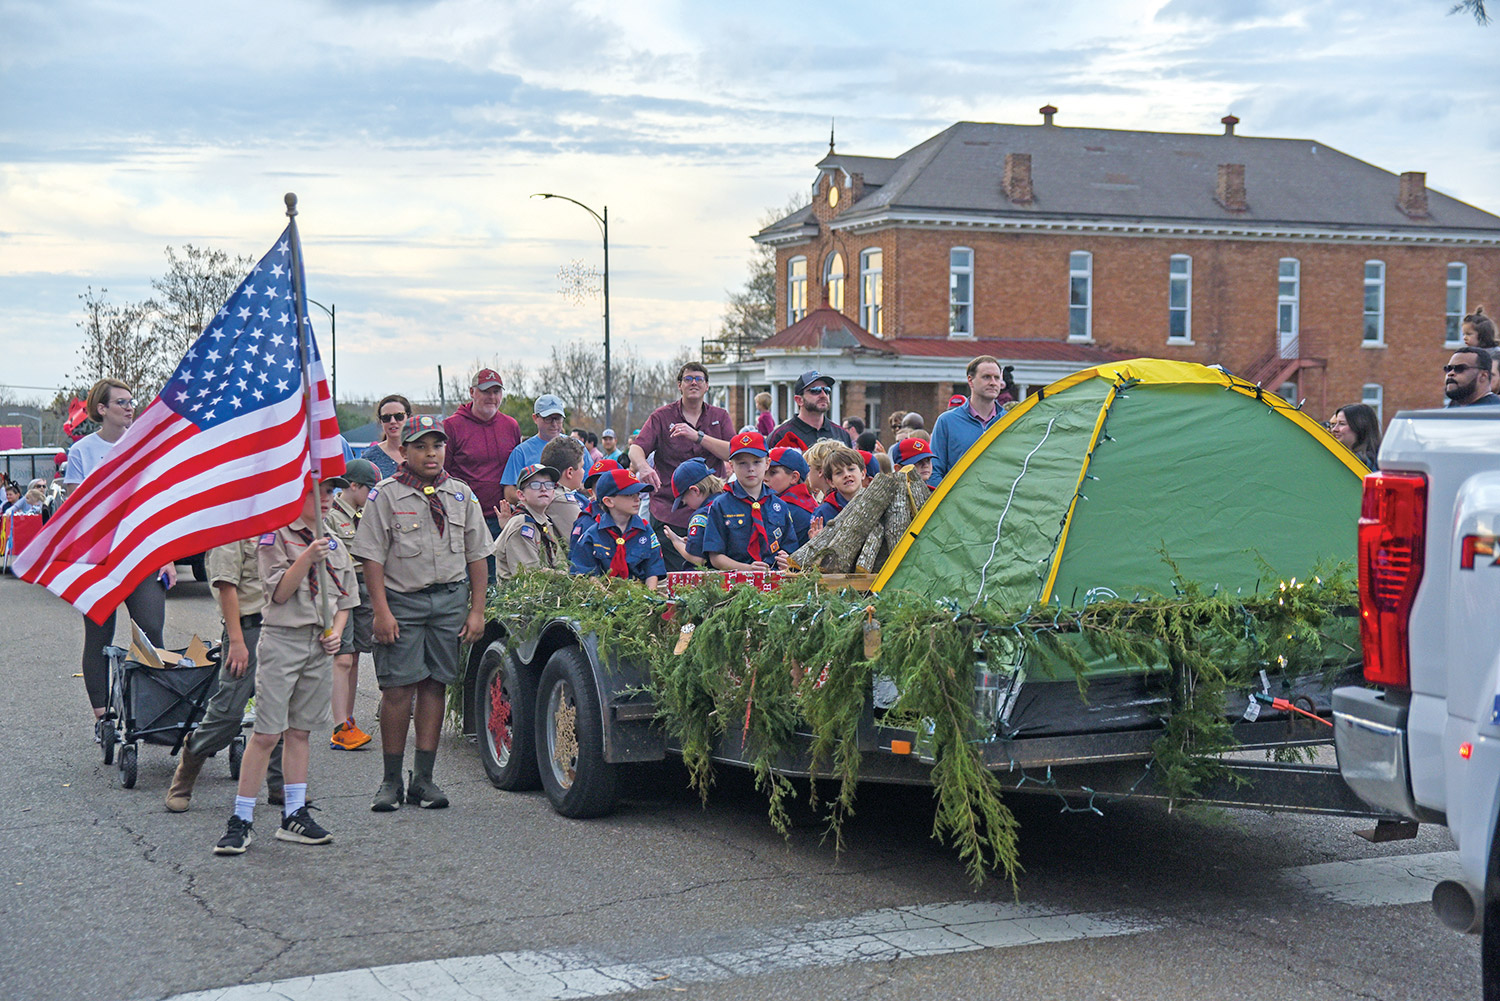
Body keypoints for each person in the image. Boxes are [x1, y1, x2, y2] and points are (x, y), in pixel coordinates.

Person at [351, 415, 491, 812]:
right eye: (421, 446)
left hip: (448, 602)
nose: (431, 454)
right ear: (405, 451)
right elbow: (371, 559)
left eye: (437, 446)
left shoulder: (461, 494)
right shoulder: (385, 495)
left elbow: (478, 555)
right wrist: (380, 612)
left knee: (435, 685)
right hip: (401, 603)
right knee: (397, 690)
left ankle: (424, 780)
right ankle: (390, 781)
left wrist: (476, 610)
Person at [213, 475, 357, 855]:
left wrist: (336, 633)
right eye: (321, 491)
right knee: (266, 733)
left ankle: (294, 814)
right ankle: (241, 819)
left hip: (318, 647)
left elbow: (345, 602)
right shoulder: (274, 535)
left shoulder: (337, 545)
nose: (328, 499)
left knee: (300, 732)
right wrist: (308, 555)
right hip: (283, 641)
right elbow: (279, 592)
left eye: (331, 492)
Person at [64, 378, 173, 740]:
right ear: (102, 409)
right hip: (98, 562)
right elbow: (75, 514)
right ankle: (104, 720)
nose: (129, 407)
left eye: (131, 401)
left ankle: (153, 712)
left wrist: (167, 555)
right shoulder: (82, 452)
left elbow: (155, 506)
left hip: (140, 556)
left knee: (151, 632)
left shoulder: (142, 447)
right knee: (98, 638)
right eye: (121, 402)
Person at [165, 533, 285, 814]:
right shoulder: (235, 527)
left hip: (282, 627)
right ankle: (187, 769)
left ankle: (279, 786)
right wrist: (237, 640)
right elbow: (225, 585)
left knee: (281, 707)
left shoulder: (280, 519)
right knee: (228, 712)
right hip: (248, 629)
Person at [629, 363, 733, 570]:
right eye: (688, 379)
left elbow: (733, 452)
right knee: (676, 577)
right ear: (679, 385)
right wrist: (643, 467)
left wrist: (698, 437)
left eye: (699, 379)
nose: (693, 382)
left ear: (707, 386)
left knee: (713, 574)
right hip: (670, 510)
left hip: (712, 512)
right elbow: (636, 448)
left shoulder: (719, 417)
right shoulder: (662, 417)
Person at [325, 458, 381, 751]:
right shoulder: (331, 515)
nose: (374, 495)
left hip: (366, 586)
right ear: (353, 486)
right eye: (369, 489)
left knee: (356, 655)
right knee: (342, 657)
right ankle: (339, 725)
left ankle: (348, 718)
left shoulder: (367, 513)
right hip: (339, 588)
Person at [444, 370, 522, 575]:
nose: (492, 397)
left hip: (502, 518)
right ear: (472, 392)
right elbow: (443, 475)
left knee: (502, 577)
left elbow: (515, 472)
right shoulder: (452, 426)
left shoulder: (511, 426)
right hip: (465, 519)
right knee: (470, 578)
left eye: (497, 392)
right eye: (486, 391)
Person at [701, 432, 799, 571]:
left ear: (767, 464)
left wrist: (788, 560)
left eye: (757, 462)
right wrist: (747, 569)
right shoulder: (721, 505)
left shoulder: (780, 506)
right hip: (735, 584)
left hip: (774, 582)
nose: (750, 469)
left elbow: (791, 550)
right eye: (742, 463)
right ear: (732, 466)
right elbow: (715, 557)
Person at [569, 469, 667, 585]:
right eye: (629, 495)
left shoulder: (645, 531)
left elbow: (653, 571)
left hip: (640, 594)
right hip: (603, 595)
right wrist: (606, 597)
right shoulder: (592, 535)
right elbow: (587, 573)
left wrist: (648, 598)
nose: (637, 499)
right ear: (609, 501)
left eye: (638, 494)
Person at [930, 356, 1007, 485]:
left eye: (997, 378)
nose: (993, 382)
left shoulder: (1009, 422)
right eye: (986, 377)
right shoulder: (947, 421)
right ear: (970, 381)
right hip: (958, 503)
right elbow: (934, 471)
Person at [493, 464, 570, 580]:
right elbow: (530, 574)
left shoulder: (543, 522)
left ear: (553, 493)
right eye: (535, 485)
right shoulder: (522, 525)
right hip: (523, 595)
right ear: (521, 495)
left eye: (549, 485)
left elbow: (559, 561)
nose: (543, 489)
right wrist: (568, 577)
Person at [502, 394, 569, 507]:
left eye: (557, 418)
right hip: (536, 517)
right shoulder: (521, 452)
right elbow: (509, 492)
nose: (554, 424)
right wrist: (534, 502)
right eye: (548, 418)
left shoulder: (575, 447)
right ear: (535, 418)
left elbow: (589, 483)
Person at [768, 371, 853, 451]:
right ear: (799, 400)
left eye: (827, 390)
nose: (823, 395)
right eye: (815, 390)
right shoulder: (780, 436)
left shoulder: (842, 434)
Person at [661, 458, 722, 567]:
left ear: (695, 490)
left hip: (713, 578)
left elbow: (698, 559)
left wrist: (676, 541)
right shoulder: (728, 502)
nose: (686, 504)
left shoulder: (700, 516)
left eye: (684, 501)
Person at [765, 446, 815, 543]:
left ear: (794, 477)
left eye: (773, 472)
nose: (765, 478)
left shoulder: (788, 508)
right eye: (764, 472)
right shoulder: (808, 502)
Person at [541, 435, 589, 535]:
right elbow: (583, 539)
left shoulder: (543, 491)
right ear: (570, 472)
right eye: (582, 467)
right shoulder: (561, 499)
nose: (583, 471)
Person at [362, 395, 413, 479]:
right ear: (380, 421)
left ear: (409, 418)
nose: (392, 421)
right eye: (386, 418)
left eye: (399, 416)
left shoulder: (422, 452)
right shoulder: (369, 458)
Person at [812, 446, 866, 525]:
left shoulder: (877, 502)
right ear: (831, 482)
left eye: (851, 469)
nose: (847, 475)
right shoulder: (823, 513)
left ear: (863, 473)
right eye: (839, 473)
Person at [1327, 405, 1381, 470]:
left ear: (1360, 426)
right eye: (1333, 425)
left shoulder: (1363, 463)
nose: (1334, 429)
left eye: (1342, 424)